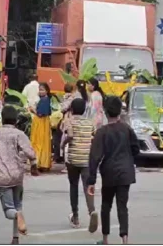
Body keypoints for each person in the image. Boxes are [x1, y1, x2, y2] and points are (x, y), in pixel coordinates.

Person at [0, 105, 39, 245]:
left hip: (1, 176)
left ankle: (17, 218)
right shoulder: (19, 134)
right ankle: (15, 238)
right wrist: (33, 166)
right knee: (18, 205)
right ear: (16, 120)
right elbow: (30, 152)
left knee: (9, 210)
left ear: (2, 118)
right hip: (17, 175)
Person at [87, 96, 140, 245]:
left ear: (104, 111)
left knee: (106, 205)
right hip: (126, 172)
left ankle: (105, 239)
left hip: (109, 172)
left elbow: (94, 157)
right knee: (122, 206)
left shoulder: (102, 132)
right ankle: (125, 240)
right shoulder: (127, 129)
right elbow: (136, 148)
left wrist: (91, 181)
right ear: (119, 111)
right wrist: (129, 159)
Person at [62, 98, 98, 232]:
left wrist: (63, 143)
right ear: (84, 110)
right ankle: (92, 211)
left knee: (73, 186)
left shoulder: (69, 121)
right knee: (88, 187)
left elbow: (69, 135)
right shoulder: (90, 122)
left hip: (73, 159)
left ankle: (75, 217)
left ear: (71, 109)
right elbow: (95, 136)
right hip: (87, 159)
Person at [29, 83, 52, 171]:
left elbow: (40, 114)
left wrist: (32, 109)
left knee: (39, 141)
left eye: (42, 90)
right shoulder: (45, 99)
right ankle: (43, 162)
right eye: (40, 89)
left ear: (47, 91)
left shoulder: (44, 100)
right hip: (42, 122)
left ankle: (39, 162)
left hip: (40, 122)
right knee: (43, 141)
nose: (40, 91)